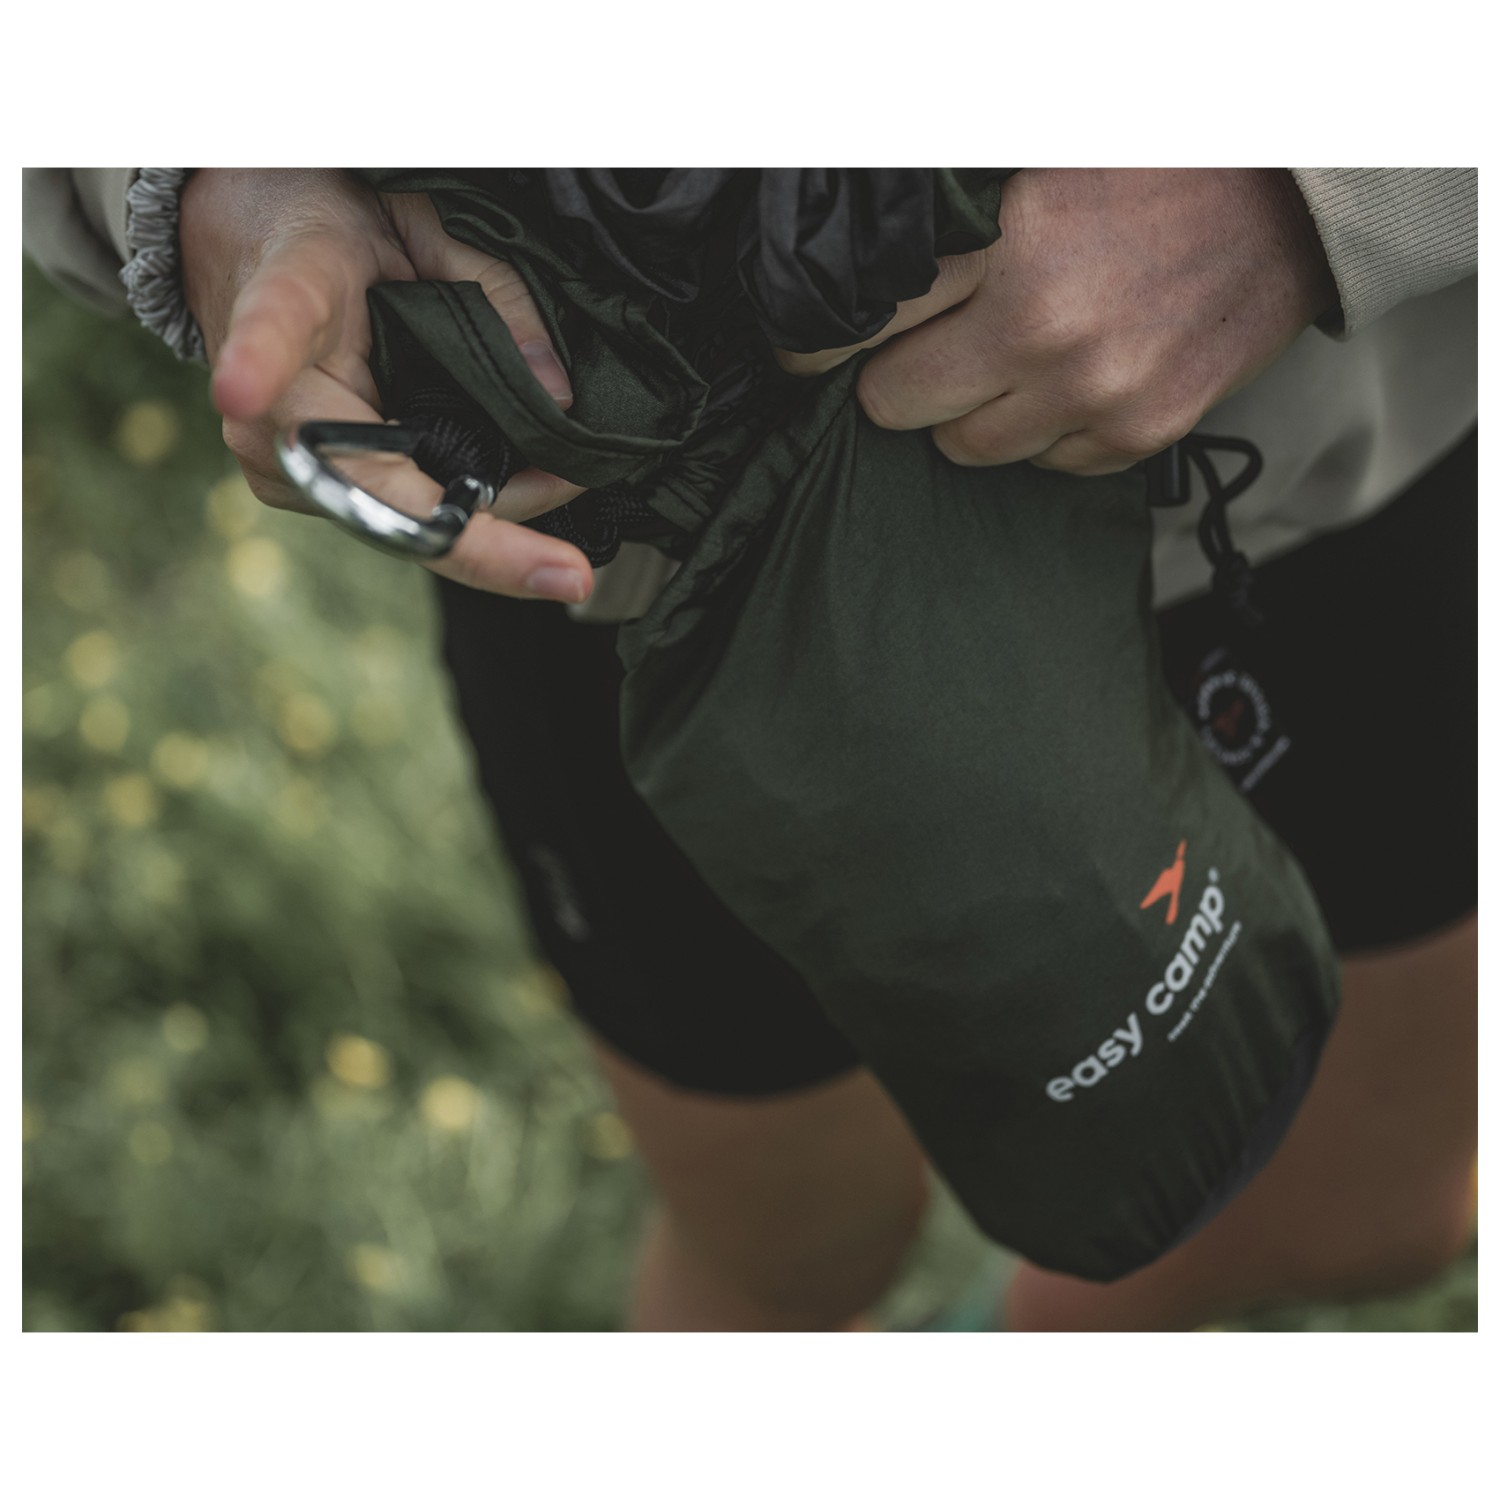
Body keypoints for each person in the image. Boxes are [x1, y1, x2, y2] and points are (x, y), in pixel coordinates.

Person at [23, 167, 1477, 1331]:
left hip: (1301, 454)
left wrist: (1315, 193)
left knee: (1361, 1201)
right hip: (653, 575)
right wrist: (203, 182)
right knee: (790, 1250)